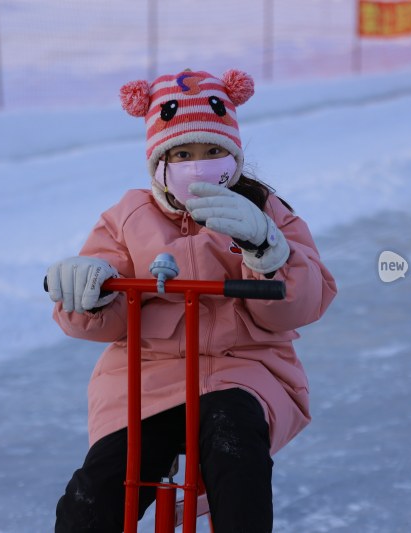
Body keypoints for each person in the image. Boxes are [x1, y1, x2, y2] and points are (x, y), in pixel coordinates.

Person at [46, 68, 336, 532]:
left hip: (245, 372)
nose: (198, 165)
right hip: (146, 379)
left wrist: (267, 249)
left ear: (233, 156)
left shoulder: (265, 210)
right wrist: (92, 290)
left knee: (235, 450)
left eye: (213, 151)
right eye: (182, 153)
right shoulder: (127, 218)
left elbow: (303, 303)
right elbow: (100, 322)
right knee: (97, 491)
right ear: (159, 161)